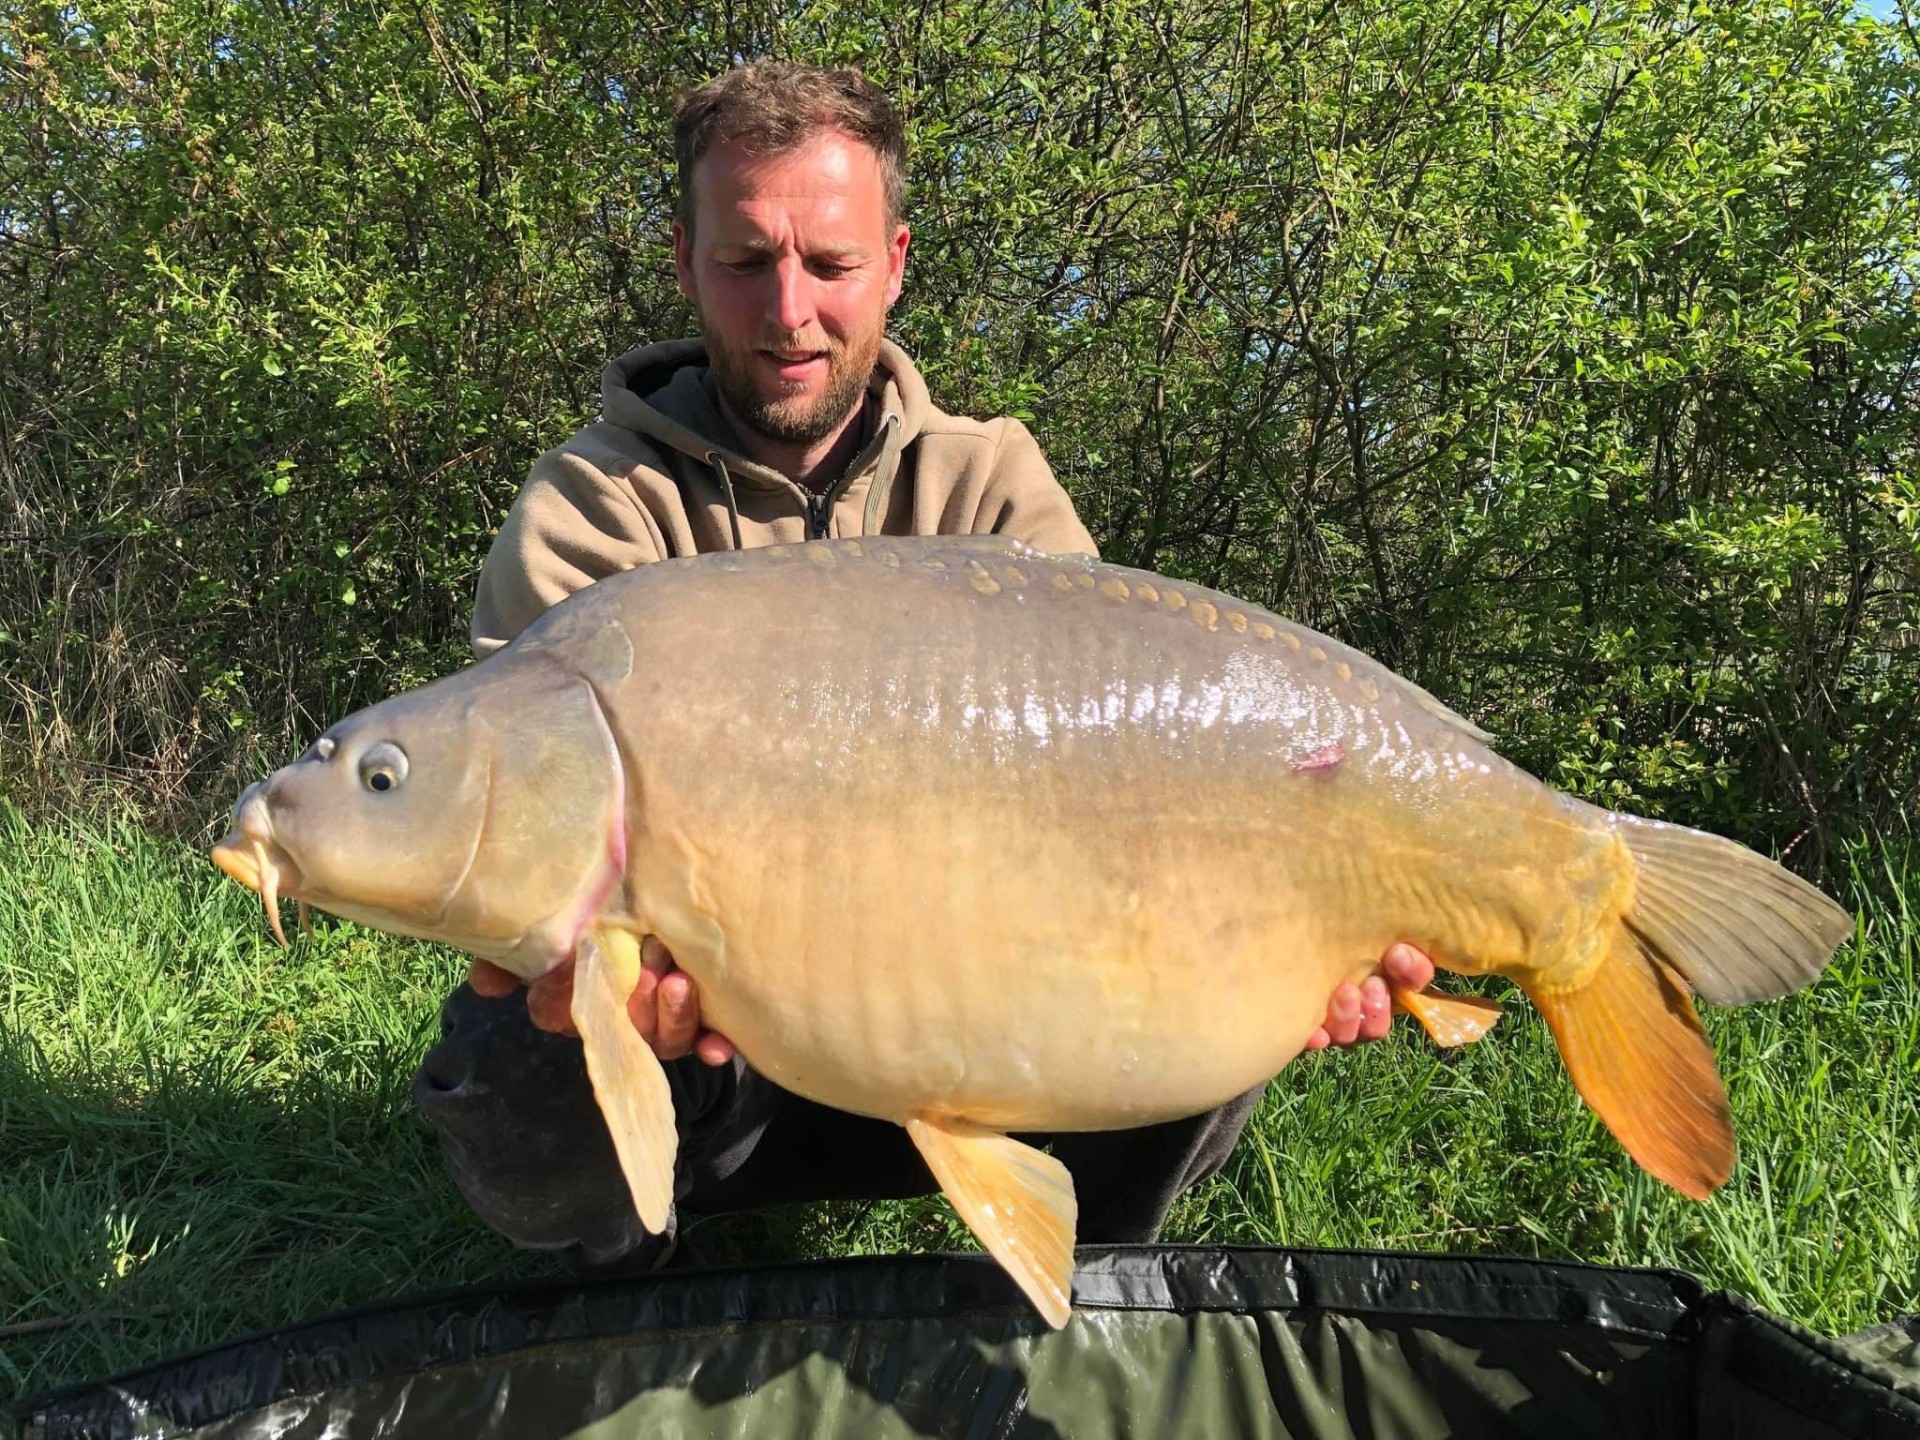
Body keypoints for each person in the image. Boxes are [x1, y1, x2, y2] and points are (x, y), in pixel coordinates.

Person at [413, 61, 1436, 1271]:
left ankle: (1078, 1287)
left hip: (983, 1015)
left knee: (1208, 987)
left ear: (894, 264)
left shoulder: (992, 485)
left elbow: (1123, 808)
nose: (790, 310)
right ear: (687, 265)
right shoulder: (594, 510)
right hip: (721, 1066)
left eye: (831, 265)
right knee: (519, 1050)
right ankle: (636, 1298)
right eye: (745, 262)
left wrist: (1298, 940)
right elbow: (529, 845)